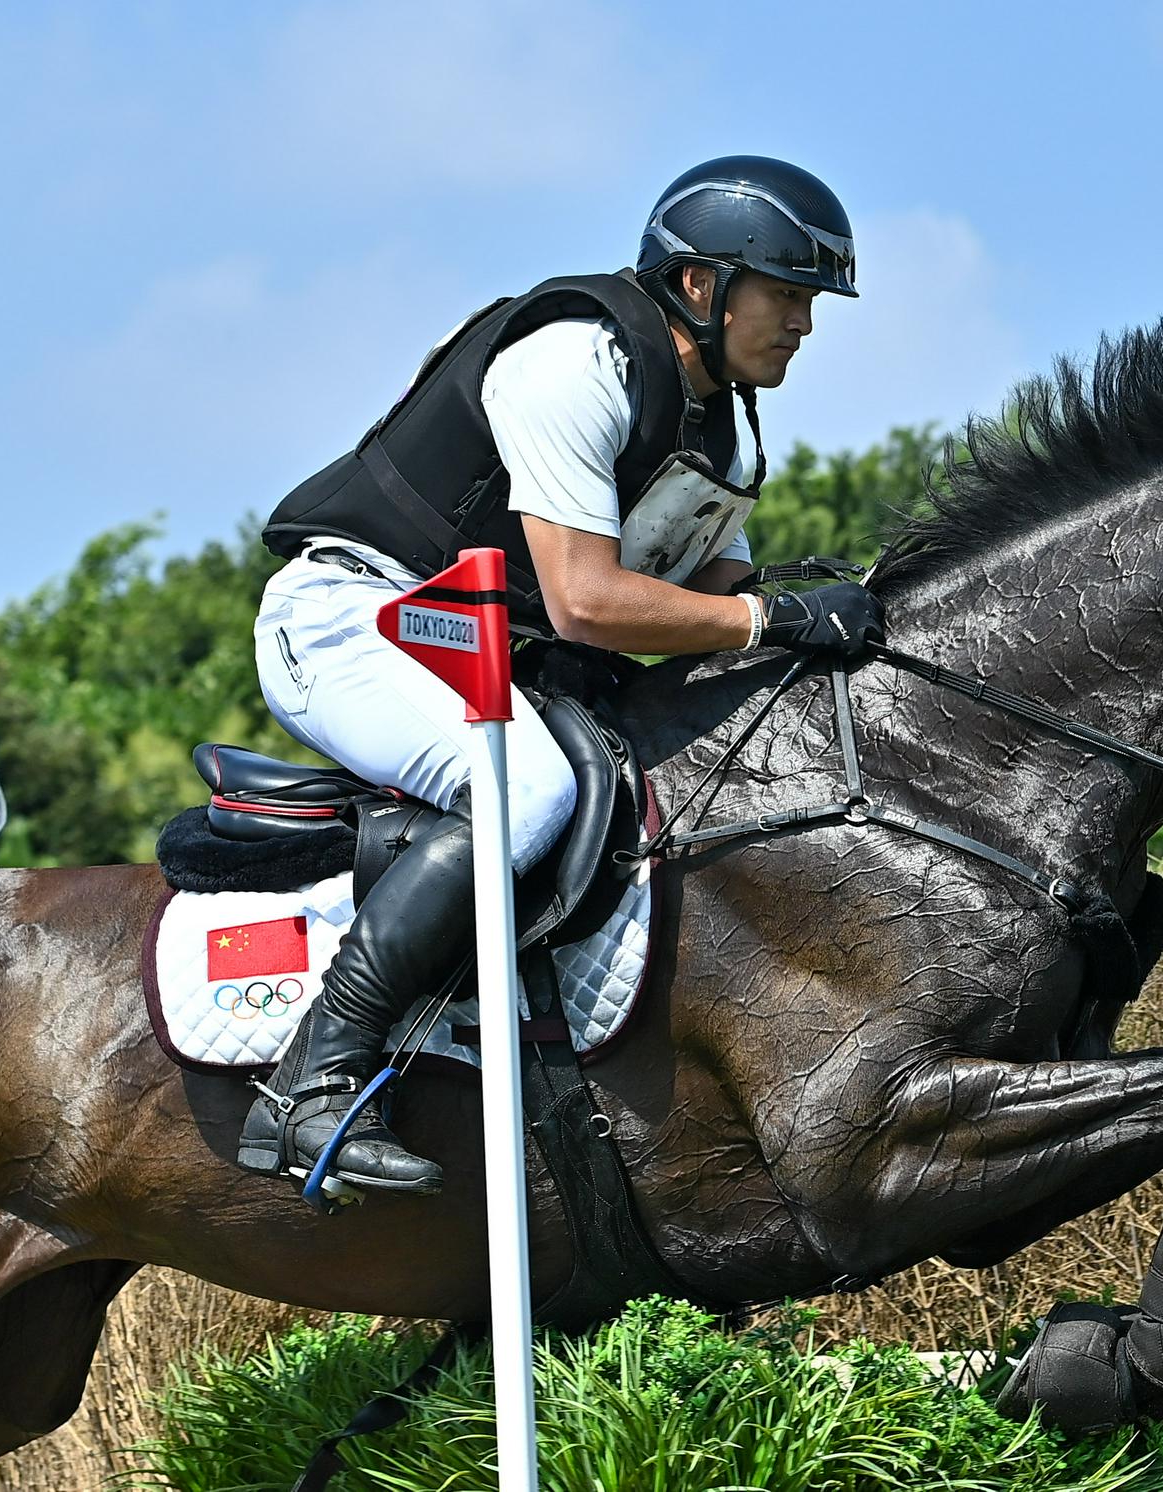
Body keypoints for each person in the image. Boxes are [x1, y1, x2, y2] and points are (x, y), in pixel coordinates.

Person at [236, 156, 887, 1198]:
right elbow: (589, 600)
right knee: (526, 788)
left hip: (476, 647)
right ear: (698, 287)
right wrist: (769, 616)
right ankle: (314, 1079)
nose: (804, 324)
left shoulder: (716, 416)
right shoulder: (575, 362)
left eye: (813, 302)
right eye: (789, 295)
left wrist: (802, 600)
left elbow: (692, 583)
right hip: (352, 619)